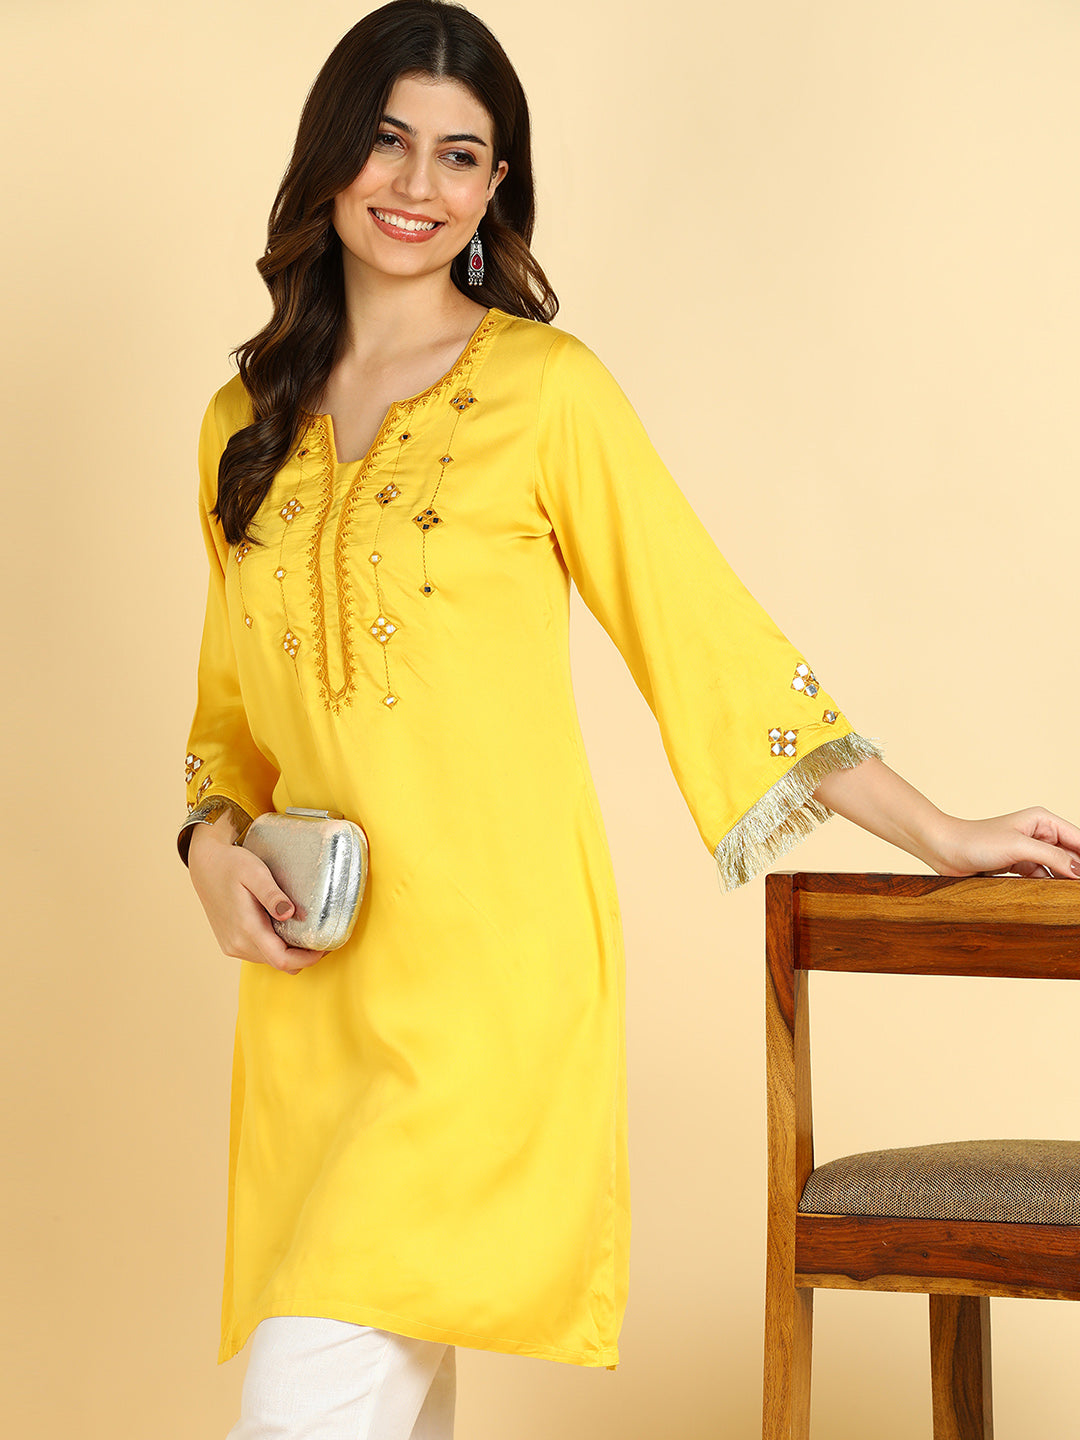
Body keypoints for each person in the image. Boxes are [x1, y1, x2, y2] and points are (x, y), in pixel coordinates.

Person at [176, 2, 1080, 1435]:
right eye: (388, 141)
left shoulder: (549, 394)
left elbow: (704, 639)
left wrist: (941, 832)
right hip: (315, 999)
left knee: (312, 1397)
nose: (416, 184)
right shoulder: (243, 424)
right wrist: (207, 851)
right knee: (387, 1396)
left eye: (459, 156)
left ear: (495, 188)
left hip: (492, 984)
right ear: (329, 156)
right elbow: (227, 723)